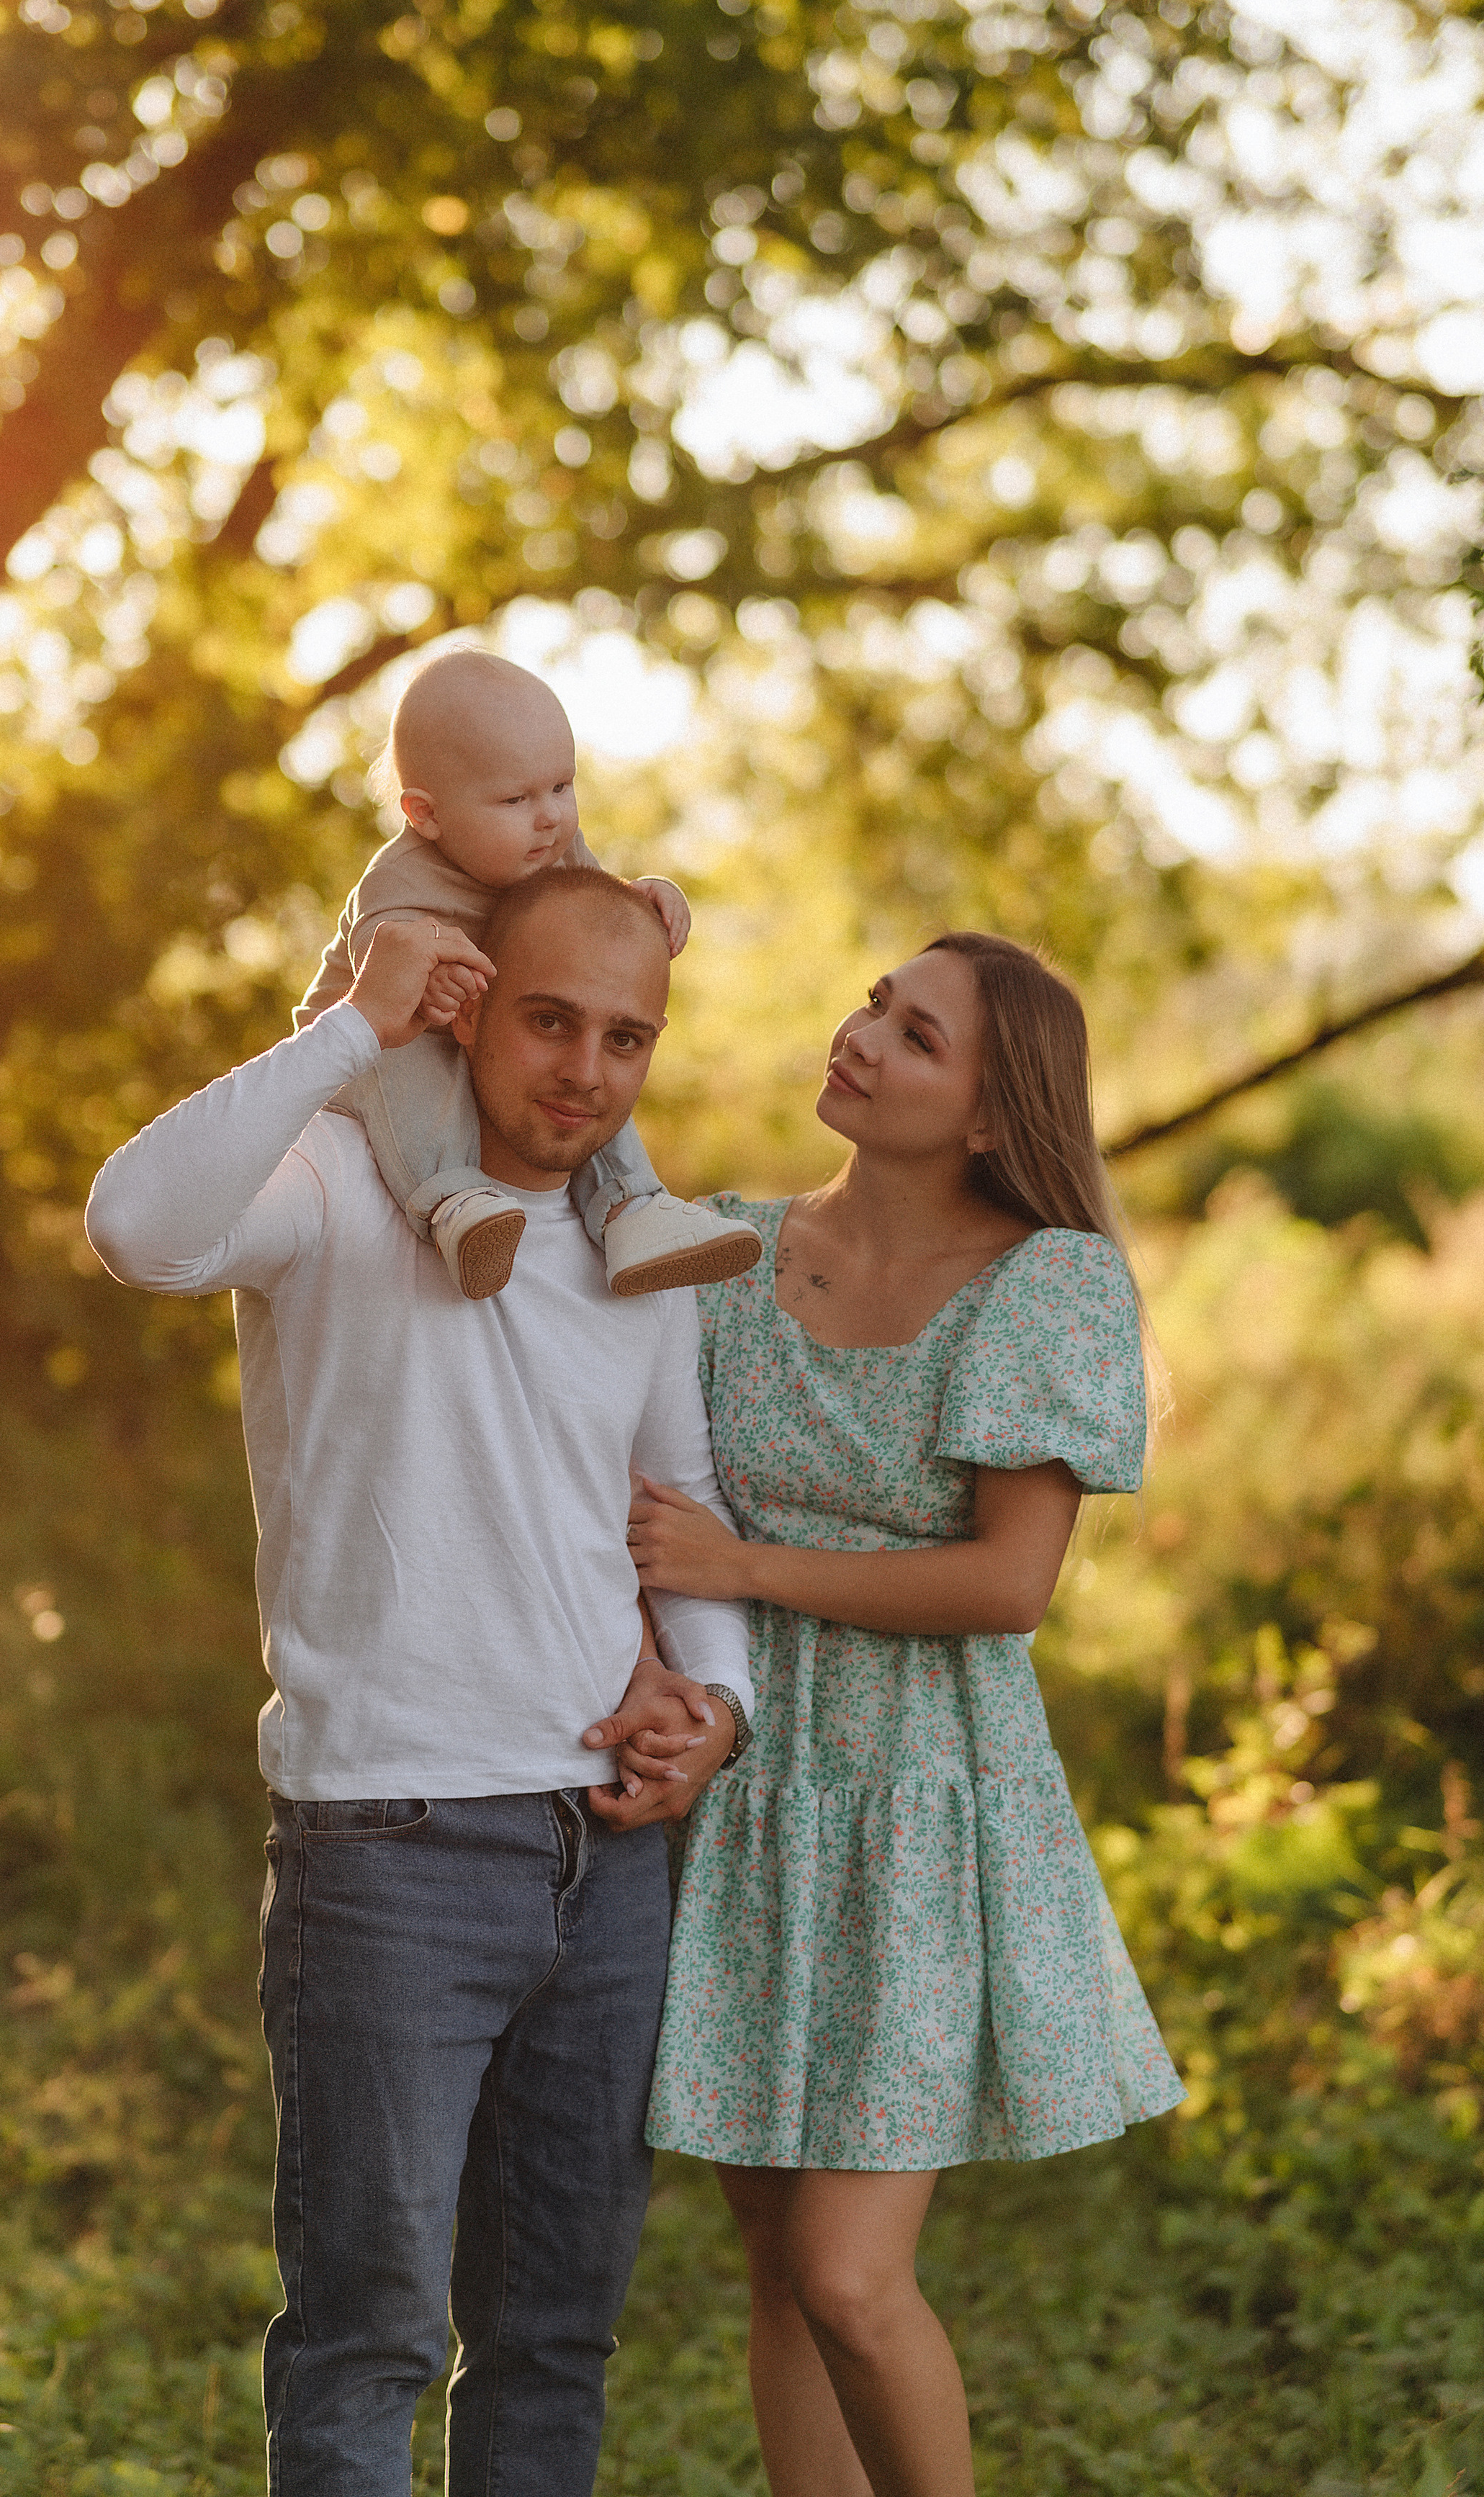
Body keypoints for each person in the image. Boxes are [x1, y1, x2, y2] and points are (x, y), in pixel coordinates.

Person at [84, 863, 757, 2497]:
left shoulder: (637, 1248)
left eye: (624, 1036)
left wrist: (718, 1708)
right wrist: (346, 1030)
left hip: (602, 1864)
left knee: (549, 2341)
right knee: (364, 2340)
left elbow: (683, 1513)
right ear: (466, 1003)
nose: (584, 1070)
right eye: (546, 1020)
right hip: (386, 1848)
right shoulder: (333, 1183)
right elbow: (131, 1224)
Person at [609, 930, 1185, 2497]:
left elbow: (1009, 1582)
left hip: (919, 1803)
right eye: (874, 1000)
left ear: (993, 1113)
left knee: (851, 2274)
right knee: (777, 2264)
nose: (859, 1033)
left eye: (914, 1034)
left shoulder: (1042, 1282)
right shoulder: (720, 1251)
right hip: (737, 1788)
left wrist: (744, 1563)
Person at [295, 643, 761, 1301]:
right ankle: (451, 1200)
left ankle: (632, 1207)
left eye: (562, 786)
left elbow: (594, 909)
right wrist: (428, 979)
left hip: (495, 1029)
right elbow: (385, 973)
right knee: (408, 1068)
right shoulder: (399, 883)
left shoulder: (549, 844)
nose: (550, 816)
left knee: (585, 1045)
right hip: (379, 1048)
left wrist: (646, 896)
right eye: (515, 798)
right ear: (425, 814)